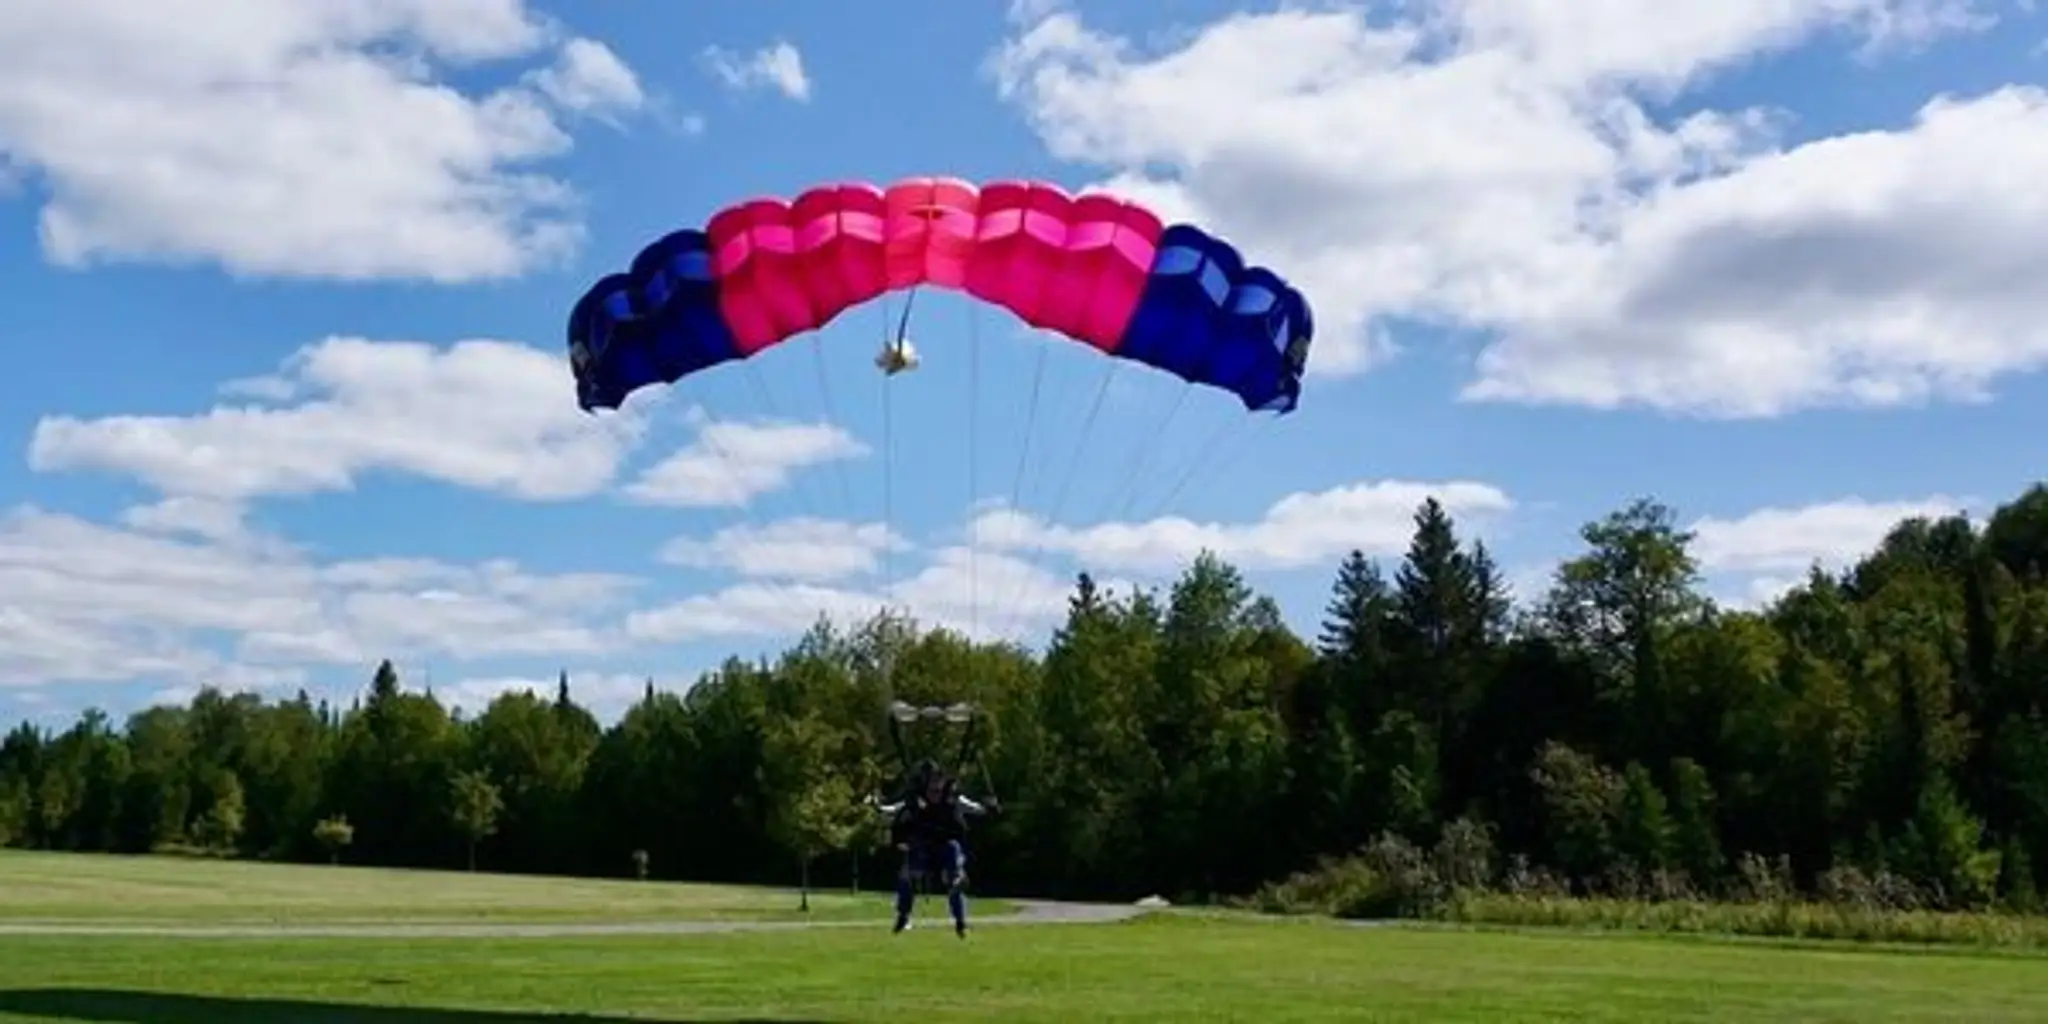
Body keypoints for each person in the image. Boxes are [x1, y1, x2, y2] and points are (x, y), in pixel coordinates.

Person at [871, 759, 994, 936]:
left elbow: (976, 809)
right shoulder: (915, 800)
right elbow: (893, 810)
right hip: (923, 848)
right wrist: (878, 806)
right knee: (907, 878)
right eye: (932, 783)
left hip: (946, 848)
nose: (935, 788)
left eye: (938, 782)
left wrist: (988, 807)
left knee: (954, 875)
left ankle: (960, 921)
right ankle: (903, 916)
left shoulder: (952, 799)